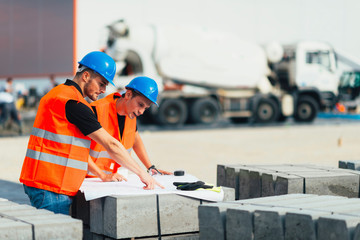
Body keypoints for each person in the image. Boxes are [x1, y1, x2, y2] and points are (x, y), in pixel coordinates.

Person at [19, 51, 163, 215]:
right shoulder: (73, 103)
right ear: (86, 76)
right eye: (101, 83)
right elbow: (110, 144)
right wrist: (142, 174)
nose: (103, 90)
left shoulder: (61, 95)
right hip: (51, 186)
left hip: (48, 182)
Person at [87, 76, 172, 181]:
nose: (141, 112)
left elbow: (136, 140)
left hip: (113, 180)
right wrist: (102, 175)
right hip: (89, 180)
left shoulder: (131, 114)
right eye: (140, 104)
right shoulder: (96, 110)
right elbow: (79, 150)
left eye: (145, 108)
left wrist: (150, 167)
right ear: (128, 94)